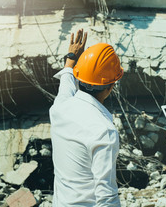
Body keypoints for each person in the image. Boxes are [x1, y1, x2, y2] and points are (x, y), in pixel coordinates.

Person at [49, 29, 123, 206]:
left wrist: (71, 60)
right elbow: (106, 197)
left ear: (78, 76)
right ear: (110, 87)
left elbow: (66, 82)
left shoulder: (60, 107)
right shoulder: (104, 131)